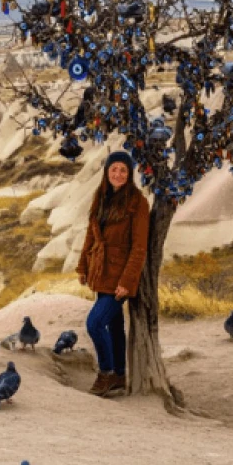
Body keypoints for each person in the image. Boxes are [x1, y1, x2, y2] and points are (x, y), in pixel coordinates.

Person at [76, 151, 150, 397]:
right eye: (113, 170)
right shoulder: (101, 197)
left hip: (119, 275)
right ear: (107, 173)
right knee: (115, 325)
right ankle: (118, 374)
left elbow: (139, 247)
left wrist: (127, 282)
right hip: (100, 269)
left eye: (123, 170)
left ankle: (106, 372)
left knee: (95, 323)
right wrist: (83, 266)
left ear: (129, 175)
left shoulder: (137, 202)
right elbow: (91, 234)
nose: (117, 174)